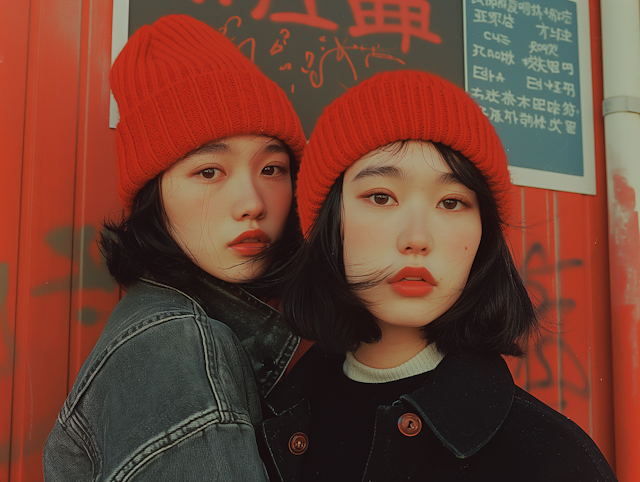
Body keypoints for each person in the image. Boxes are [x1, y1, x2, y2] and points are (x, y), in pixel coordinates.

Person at [259, 70, 617, 481]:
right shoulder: (265, 424)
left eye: (451, 202)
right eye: (381, 197)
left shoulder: (551, 458)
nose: (417, 238)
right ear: (328, 223)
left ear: (483, 238)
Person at [43, 15, 308, 481]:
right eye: (209, 172)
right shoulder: (176, 349)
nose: (252, 203)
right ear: (154, 198)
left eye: (272, 168)